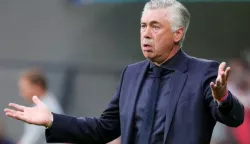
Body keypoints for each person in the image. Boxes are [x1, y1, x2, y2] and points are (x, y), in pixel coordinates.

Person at [4, 0, 244, 143]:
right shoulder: (131, 74)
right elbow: (103, 128)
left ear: (178, 34)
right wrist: (52, 121)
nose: (146, 33)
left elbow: (235, 118)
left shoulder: (204, 72)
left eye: (155, 26)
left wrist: (223, 98)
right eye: (143, 26)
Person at [17, 68, 64, 144]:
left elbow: (30, 141)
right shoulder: (48, 103)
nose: (22, 94)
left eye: (24, 89)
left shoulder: (46, 108)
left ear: (37, 86)